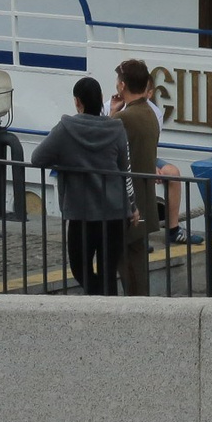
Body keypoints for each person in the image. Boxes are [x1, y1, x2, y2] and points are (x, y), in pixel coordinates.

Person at [31, 77, 137, 295]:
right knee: (108, 271)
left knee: (80, 268)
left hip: (81, 212)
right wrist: (133, 206)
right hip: (114, 211)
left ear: (77, 101)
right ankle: (108, 306)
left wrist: (65, 161)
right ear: (100, 99)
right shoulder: (116, 128)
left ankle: (97, 300)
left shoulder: (65, 128)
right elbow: (124, 169)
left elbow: (37, 158)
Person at [111, 58, 165, 296]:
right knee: (137, 264)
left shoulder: (125, 118)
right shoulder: (149, 113)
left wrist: (112, 114)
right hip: (144, 201)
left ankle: (138, 310)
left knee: (130, 269)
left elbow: (103, 144)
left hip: (129, 205)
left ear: (122, 85)